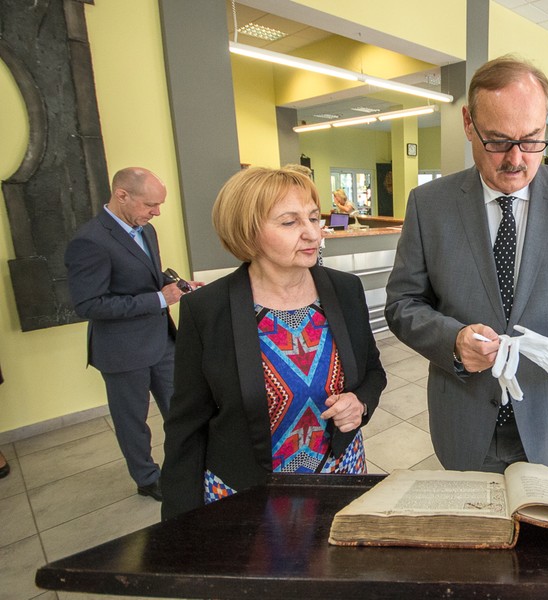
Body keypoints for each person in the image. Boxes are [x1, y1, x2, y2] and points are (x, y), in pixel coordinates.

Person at [384, 55, 548, 475]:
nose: (516, 159)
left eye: (534, 139)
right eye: (498, 141)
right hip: (464, 422)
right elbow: (402, 303)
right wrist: (453, 341)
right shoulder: (429, 205)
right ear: (469, 123)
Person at [161, 167, 385, 519]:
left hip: (340, 477)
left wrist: (360, 402)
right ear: (248, 232)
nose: (313, 232)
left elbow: (372, 371)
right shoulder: (207, 310)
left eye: (314, 217)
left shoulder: (345, 291)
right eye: (289, 222)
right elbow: (185, 426)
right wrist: (178, 526)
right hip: (249, 495)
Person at [65, 168, 195, 501]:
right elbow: (89, 304)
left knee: (181, 409)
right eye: (151, 204)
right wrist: (158, 299)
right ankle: (147, 477)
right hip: (122, 350)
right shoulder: (89, 240)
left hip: (161, 340)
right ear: (122, 195)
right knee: (133, 421)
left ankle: (185, 467)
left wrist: (175, 286)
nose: (156, 212)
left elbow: (143, 278)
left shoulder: (146, 230)